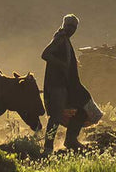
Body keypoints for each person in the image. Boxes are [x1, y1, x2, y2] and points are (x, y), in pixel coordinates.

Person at [41, 14, 92, 153]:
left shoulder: (65, 40)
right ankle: (48, 147)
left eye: (74, 27)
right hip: (56, 85)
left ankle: (70, 140)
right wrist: (62, 65)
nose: (71, 29)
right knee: (55, 117)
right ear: (64, 25)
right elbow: (45, 54)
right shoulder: (59, 39)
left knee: (81, 112)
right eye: (69, 26)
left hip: (64, 85)